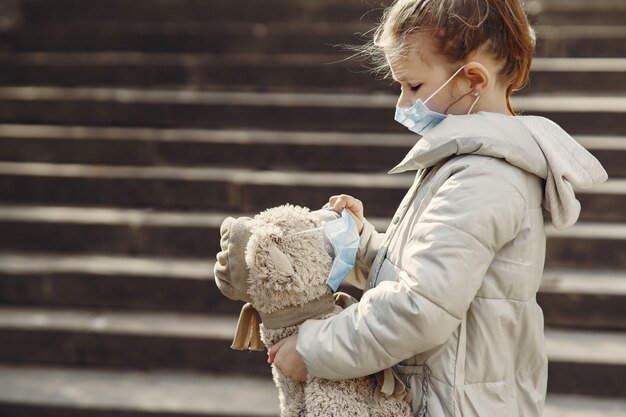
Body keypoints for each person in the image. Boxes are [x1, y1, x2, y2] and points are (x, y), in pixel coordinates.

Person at [266, 0, 608, 416]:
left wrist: (313, 348)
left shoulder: (483, 179)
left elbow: (420, 308)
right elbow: (427, 278)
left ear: (473, 80)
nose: (403, 103)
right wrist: (362, 244)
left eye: (413, 86)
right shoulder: (466, 165)